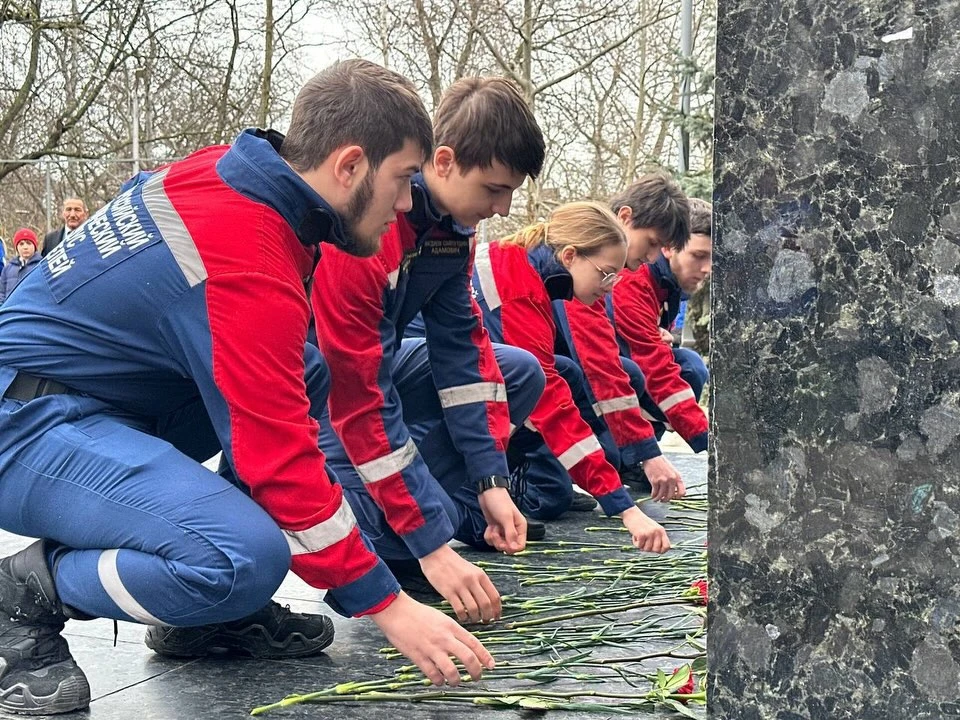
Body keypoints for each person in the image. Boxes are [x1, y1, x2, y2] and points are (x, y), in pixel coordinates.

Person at [0, 59, 494, 717]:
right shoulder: (246, 260)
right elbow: (281, 462)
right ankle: (24, 594)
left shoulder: (235, 179)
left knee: (304, 369)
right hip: (24, 422)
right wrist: (388, 604)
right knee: (239, 558)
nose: (407, 203)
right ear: (349, 166)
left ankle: (204, 617)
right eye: (403, 179)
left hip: (89, 399)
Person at [312, 76, 547, 621]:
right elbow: (358, 392)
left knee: (516, 370)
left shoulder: (451, 231)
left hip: (377, 363)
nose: (505, 207)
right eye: (493, 189)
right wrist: (431, 543)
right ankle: (390, 533)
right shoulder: (371, 227)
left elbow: (463, 354)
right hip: (322, 382)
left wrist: (490, 480)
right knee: (421, 519)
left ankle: (421, 513)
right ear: (443, 161)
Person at [471, 201, 671, 552]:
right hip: (432, 393)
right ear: (569, 256)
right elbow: (551, 404)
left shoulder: (536, 270)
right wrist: (623, 507)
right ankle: (471, 502)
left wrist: (628, 464)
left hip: (466, 377)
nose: (610, 286)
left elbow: (590, 370)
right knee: (532, 375)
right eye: (606, 273)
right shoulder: (519, 286)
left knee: (561, 370)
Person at [553, 173, 690, 499]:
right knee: (561, 489)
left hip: (560, 373)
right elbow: (598, 367)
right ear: (626, 217)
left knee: (629, 375)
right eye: (653, 243)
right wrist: (645, 458)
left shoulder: (605, 271)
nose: (653, 258)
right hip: (541, 376)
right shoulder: (590, 262)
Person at [606, 196, 712, 453]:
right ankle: (628, 455)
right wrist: (709, 443)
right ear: (669, 248)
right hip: (601, 375)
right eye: (698, 256)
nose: (707, 268)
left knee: (688, 365)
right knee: (671, 370)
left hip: (624, 369)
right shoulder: (633, 281)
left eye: (712, 258)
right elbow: (655, 368)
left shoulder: (668, 284)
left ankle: (636, 454)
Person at [0, 228, 43, 304]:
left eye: (28, 243)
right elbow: (2, 292)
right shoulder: (8, 268)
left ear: (35, 246)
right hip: (10, 311)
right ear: (16, 247)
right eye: (21, 244)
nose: (25, 247)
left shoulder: (42, 266)